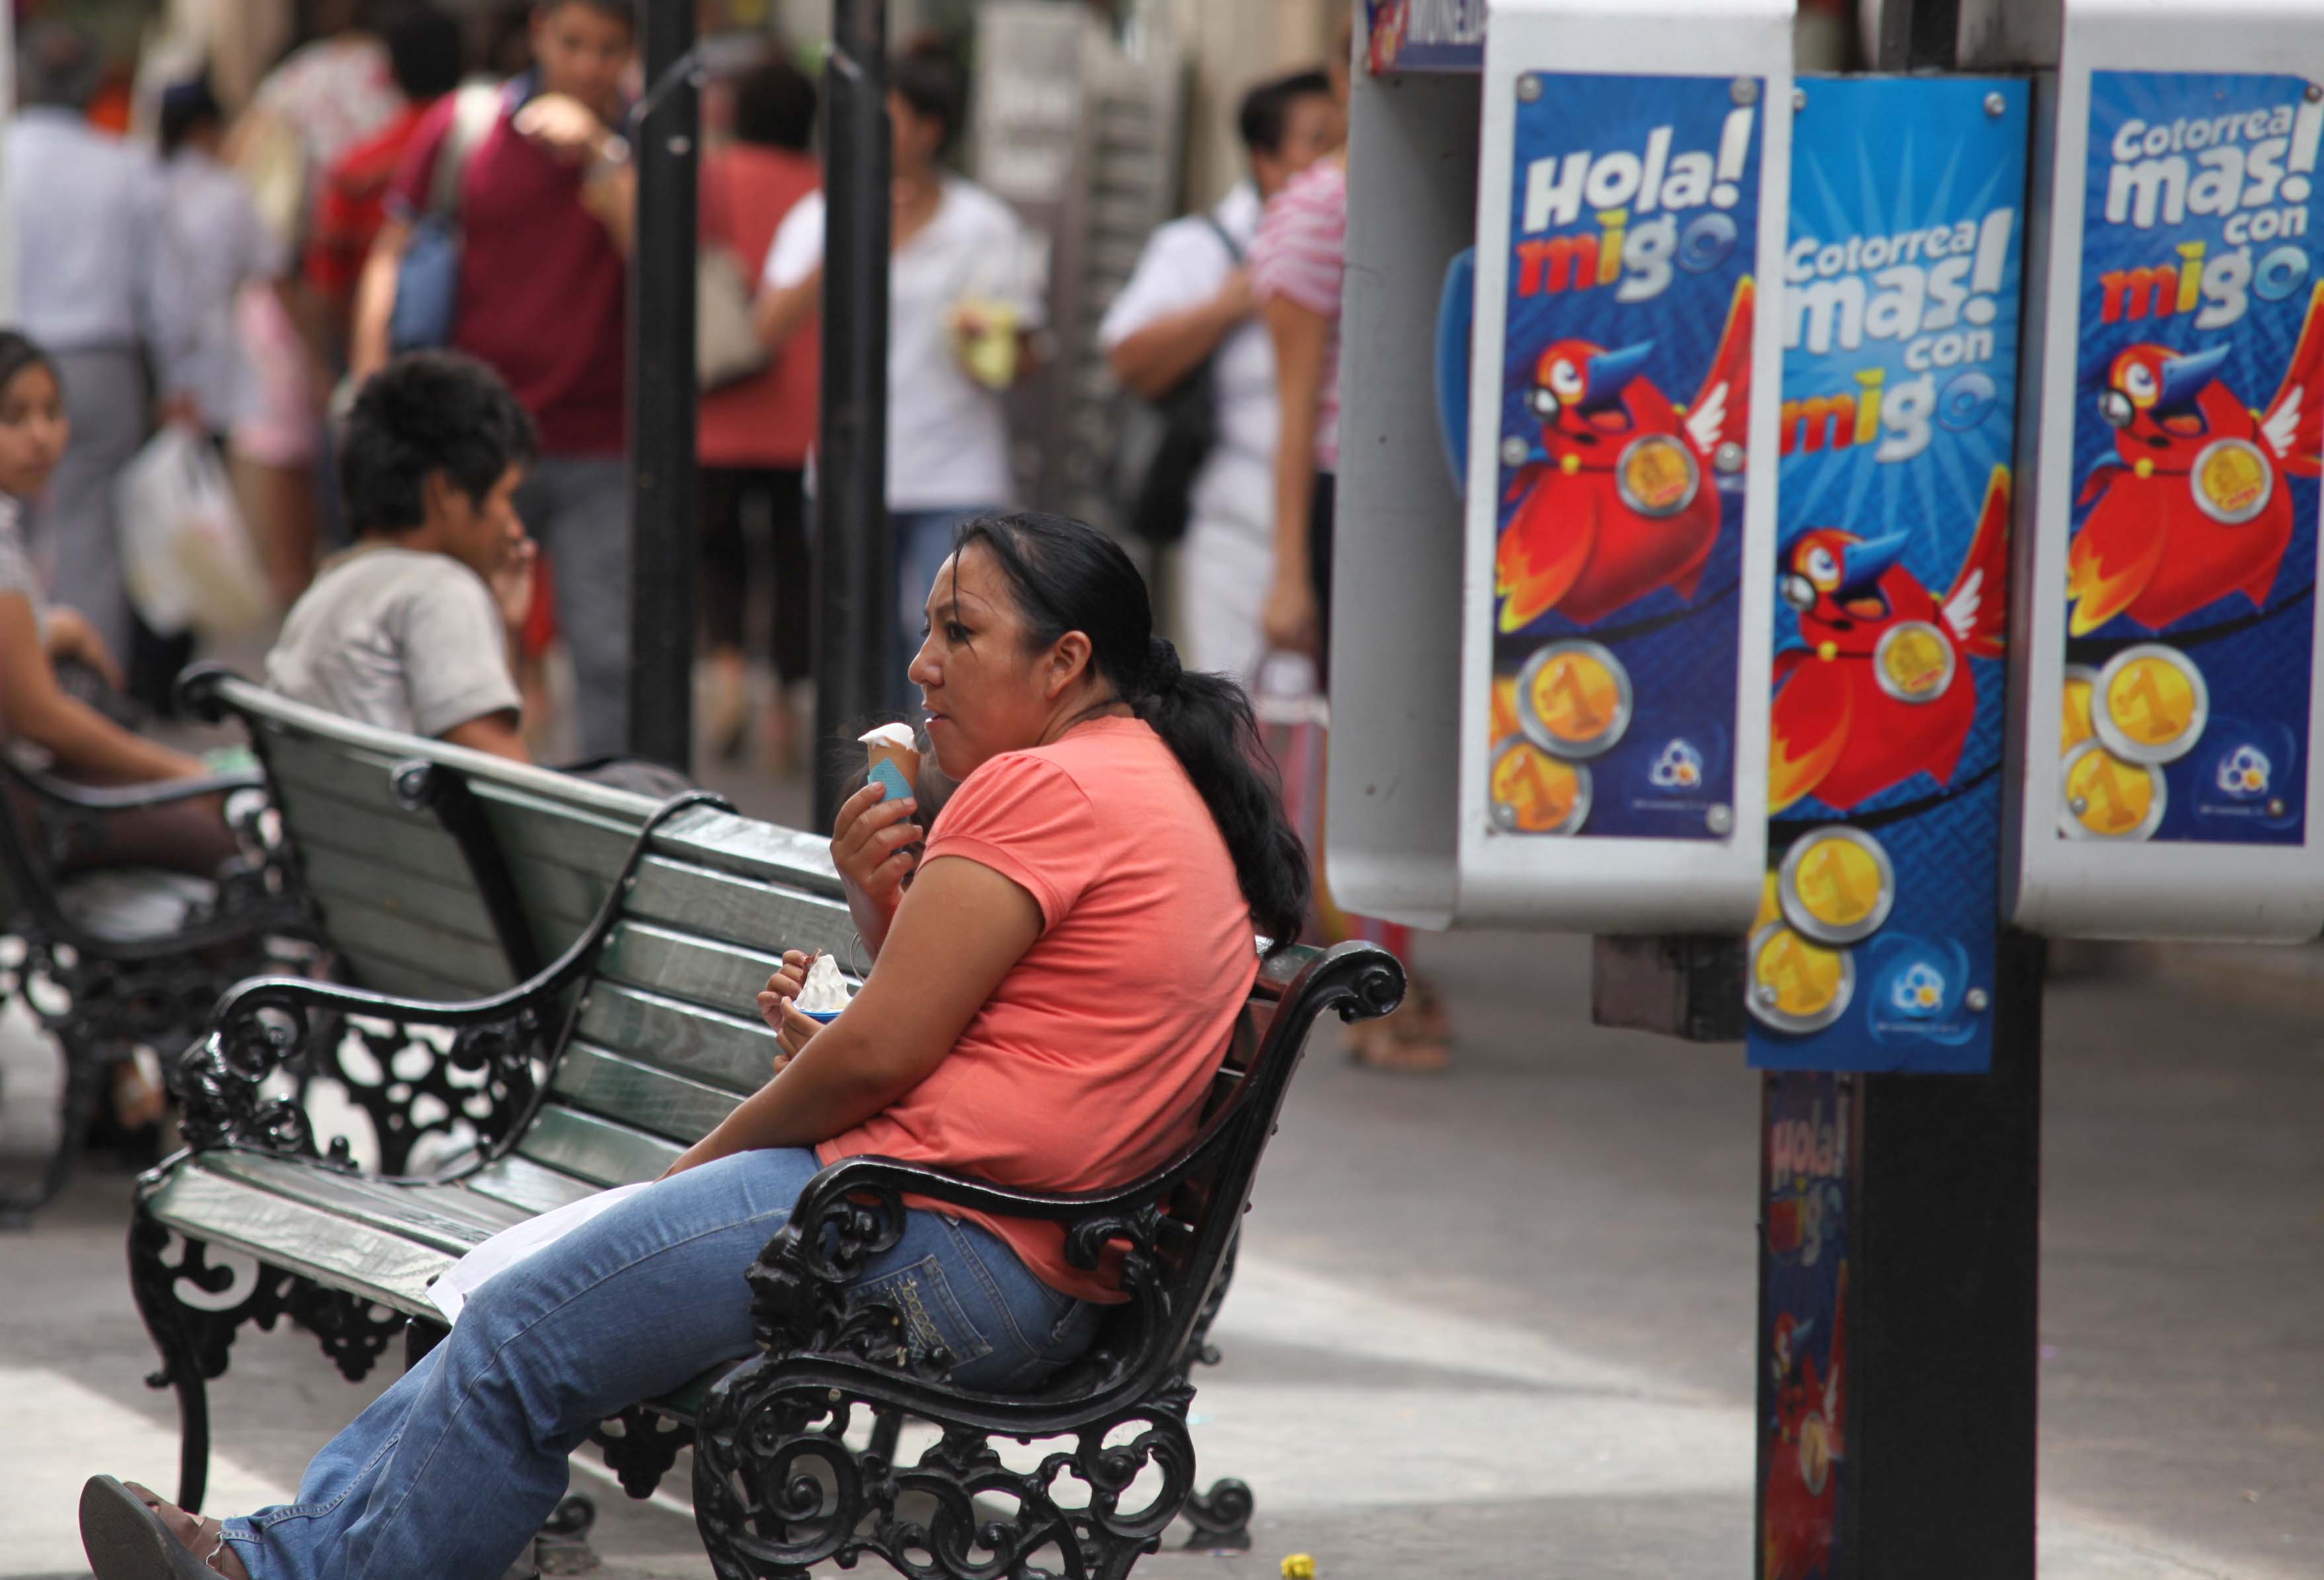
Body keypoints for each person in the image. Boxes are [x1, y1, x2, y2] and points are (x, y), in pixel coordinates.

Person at [77, 510, 1310, 1580]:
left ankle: (282, 1565)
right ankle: (277, 1553)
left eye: (962, 633)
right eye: (929, 628)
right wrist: (880, 923)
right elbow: (995, 1041)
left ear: (1068, 660)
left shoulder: (1042, 787)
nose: (922, 664)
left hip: (936, 1240)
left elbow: (885, 1058)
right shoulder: (1136, 776)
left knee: (523, 1330)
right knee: (521, 1314)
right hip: (994, 1253)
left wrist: (692, 1168)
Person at [352, 0, 639, 759]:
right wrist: (369, 376)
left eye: (609, 50)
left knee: (607, 651)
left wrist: (604, 157)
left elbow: (666, 270)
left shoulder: (645, 145)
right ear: (540, 33)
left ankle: (608, 819)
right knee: (458, 645)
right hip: (471, 438)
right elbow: (392, 250)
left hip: (598, 438)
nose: (587, 66)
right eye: (574, 43)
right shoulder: (466, 126)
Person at [1250, 18, 1449, 1071]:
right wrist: (1287, 563)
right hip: (1350, 493)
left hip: (1440, 490)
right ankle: (1377, 985)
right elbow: (1293, 402)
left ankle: (1390, 971)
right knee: (1378, 742)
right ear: (1348, 63)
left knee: (1418, 741)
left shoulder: (1472, 165)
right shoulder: (1320, 203)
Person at [758, 41, 1044, 714]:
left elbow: (1026, 356)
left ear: (929, 129)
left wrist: (990, 341)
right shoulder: (822, 216)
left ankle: (949, 795)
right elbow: (767, 326)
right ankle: (884, 793)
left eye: (885, 120)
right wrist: (856, 238)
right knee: (860, 648)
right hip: (848, 466)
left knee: (961, 641)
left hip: (957, 469)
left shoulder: (983, 225)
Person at [1099, 69, 1338, 687]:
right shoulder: (1199, 248)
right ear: (1265, 159)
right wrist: (1230, 304)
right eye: (1319, 139)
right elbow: (1127, 357)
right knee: (1245, 725)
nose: (1337, 156)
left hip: (1341, 524)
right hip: (1240, 529)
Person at [0, 334, 237, 863]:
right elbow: (40, 716)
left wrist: (61, 627)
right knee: (218, 845)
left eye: (52, 413)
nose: (40, 437)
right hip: (18, 818)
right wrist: (184, 774)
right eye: (13, 418)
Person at [3, 21, 180, 676]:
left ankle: (50, 689)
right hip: (100, 364)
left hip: (25, 355)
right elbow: (163, 291)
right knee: (90, 533)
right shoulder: (124, 165)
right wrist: (178, 378)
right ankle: (77, 691)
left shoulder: (10, 156)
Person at [266, 354, 538, 759]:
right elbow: (511, 788)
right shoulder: (440, 591)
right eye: (506, 497)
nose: (515, 527)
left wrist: (504, 628)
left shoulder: (328, 588)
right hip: (397, 823)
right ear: (445, 493)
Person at [699, 55, 821, 768]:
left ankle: (727, 674)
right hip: (801, 409)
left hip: (719, 399)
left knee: (718, 551)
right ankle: (784, 707)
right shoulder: (825, 188)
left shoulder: (710, 176)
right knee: (793, 557)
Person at [303, 4, 468, 346]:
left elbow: (327, 288)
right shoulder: (493, 157)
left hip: (388, 356)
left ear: (390, 73)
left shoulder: (355, 170)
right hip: (485, 354)